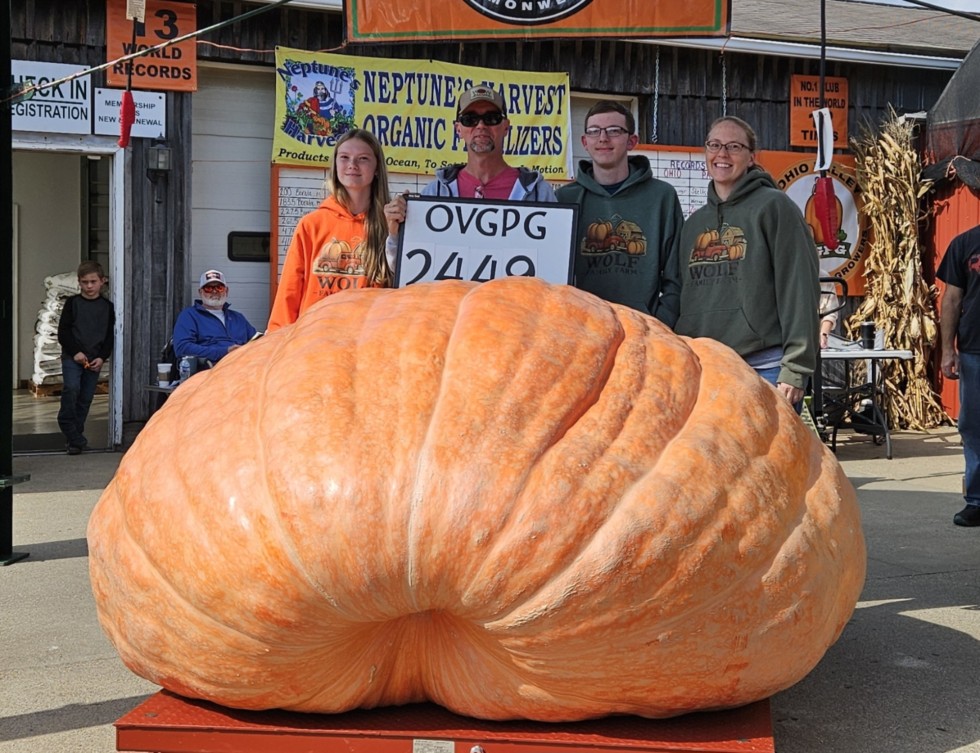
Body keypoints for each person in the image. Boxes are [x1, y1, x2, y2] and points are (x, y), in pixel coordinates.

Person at [675, 116, 819, 406]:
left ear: (751, 157)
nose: (722, 154)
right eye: (714, 145)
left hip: (764, 368)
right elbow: (679, 294)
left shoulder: (774, 207)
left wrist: (795, 369)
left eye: (734, 147)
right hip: (705, 369)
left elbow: (799, 288)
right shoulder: (694, 225)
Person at [383, 84, 557, 267]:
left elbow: (555, 261)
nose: (481, 126)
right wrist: (395, 234)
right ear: (458, 129)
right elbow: (405, 267)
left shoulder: (539, 192)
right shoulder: (434, 193)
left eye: (491, 118)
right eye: (470, 119)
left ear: (506, 127)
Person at [555, 100, 682, 326]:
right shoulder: (564, 199)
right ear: (584, 142)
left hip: (645, 329)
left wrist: (661, 322)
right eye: (594, 131)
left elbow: (677, 274)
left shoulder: (662, 197)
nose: (603, 138)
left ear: (631, 141)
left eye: (614, 131)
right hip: (582, 329)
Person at [267, 128, 392, 332]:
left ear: (377, 168)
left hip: (365, 340)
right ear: (335, 165)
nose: (352, 164)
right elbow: (289, 292)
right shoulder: (311, 224)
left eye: (363, 158)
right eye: (344, 157)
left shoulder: (389, 226)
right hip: (314, 339)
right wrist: (276, 337)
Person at [937, 224, 980, 527]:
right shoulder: (965, 243)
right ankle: (977, 501)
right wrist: (947, 350)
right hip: (975, 350)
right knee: (973, 426)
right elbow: (952, 299)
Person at [57, 260, 115, 455]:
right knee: (72, 388)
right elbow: (63, 332)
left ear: (102, 281)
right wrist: (75, 352)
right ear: (79, 282)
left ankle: (75, 439)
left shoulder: (107, 307)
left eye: (93, 281)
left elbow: (109, 335)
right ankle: (66, 422)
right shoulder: (73, 303)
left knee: (86, 398)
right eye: (85, 282)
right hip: (73, 357)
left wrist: (102, 357)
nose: (89, 286)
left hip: (94, 359)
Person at [173, 269, 257, 366]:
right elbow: (182, 348)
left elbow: (258, 342)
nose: (214, 291)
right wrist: (224, 351)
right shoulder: (189, 316)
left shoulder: (238, 318)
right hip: (210, 369)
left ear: (226, 291)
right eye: (208, 288)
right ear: (200, 292)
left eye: (219, 288)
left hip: (245, 366)